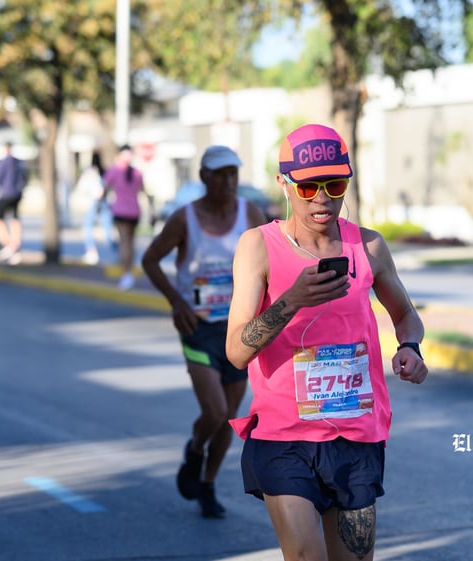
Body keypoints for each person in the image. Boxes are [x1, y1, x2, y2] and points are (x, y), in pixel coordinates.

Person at [225, 124, 428, 561]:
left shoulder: (368, 246)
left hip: (356, 436)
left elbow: (405, 315)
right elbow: (237, 351)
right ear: (284, 183)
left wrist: (410, 348)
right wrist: (292, 300)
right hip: (285, 437)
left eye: (334, 184)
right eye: (308, 186)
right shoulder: (258, 247)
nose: (322, 198)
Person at [141, 145, 268, 518]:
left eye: (233, 174)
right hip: (198, 327)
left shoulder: (251, 213)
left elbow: (271, 260)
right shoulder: (185, 219)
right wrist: (176, 302)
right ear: (203, 177)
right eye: (220, 174)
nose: (228, 181)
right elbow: (150, 259)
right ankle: (195, 448)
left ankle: (208, 485)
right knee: (213, 412)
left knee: (230, 415)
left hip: (240, 327)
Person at [102, 144, 154, 290]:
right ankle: (129, 270)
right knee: (131, 242)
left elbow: (104, 188)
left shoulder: (114, 170)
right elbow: (144, 191)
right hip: (135, 211)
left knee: (124, 242)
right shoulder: (137, 173)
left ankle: (126, 274)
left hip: (120, 211)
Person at [0, 141, 28, 265]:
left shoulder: (3, 163)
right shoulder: (19, 162)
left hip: (5, 194)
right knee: (14, 219)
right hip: (17, 194)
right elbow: (25, 177)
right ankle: (15, 245)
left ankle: (8, 245)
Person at [77, 151, 115, 265]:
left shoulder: (90, 173)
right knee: (107, 228)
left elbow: (82, 187)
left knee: (89, 226)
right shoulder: (105, 172)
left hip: (94, 202)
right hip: (103, 201)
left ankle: (91, 250)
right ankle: (115, 251)